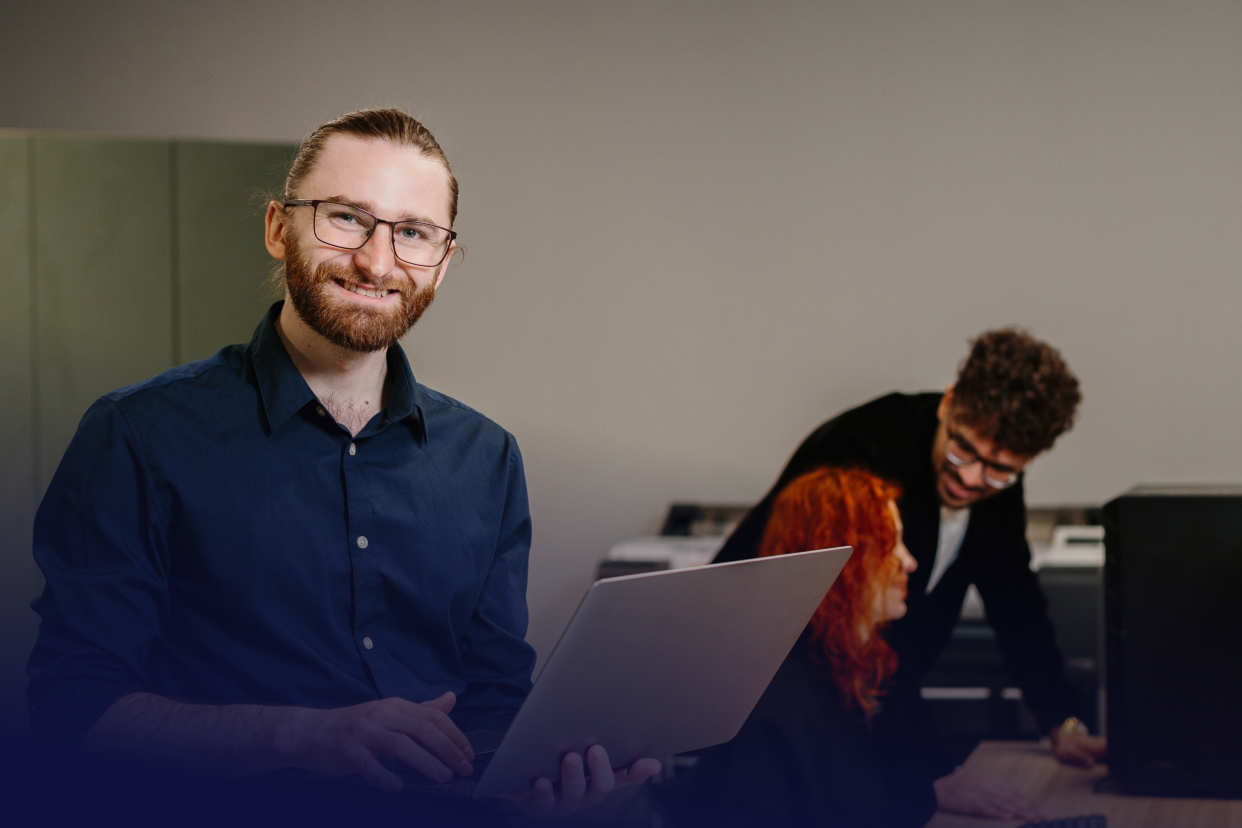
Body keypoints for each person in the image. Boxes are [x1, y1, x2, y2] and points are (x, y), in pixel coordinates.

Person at [25, 108, 657, 824]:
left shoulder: (488, 458)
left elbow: (493, 701)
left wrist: (536, 775)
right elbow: (73, 705)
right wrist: (299, 736)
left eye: (413, 232)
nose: (377, 263)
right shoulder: (137, 434)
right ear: (278, 228)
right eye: (347, 218)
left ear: (443, 261)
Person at [714, 328, 1104, 821]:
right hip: (782, 708)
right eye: (963, 451)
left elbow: (1016, 603)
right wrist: (931, 774)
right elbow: (856, 636)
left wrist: (1060, 721)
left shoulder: (994, 486)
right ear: (949, 403)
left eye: (999, 470)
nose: (971, 478)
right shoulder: (859, 448)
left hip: (868, 703)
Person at [662, 466, 934, 827]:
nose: (909, 562)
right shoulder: (778, 698)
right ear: (839, 557)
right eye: (889, 543)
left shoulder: (861, 666)